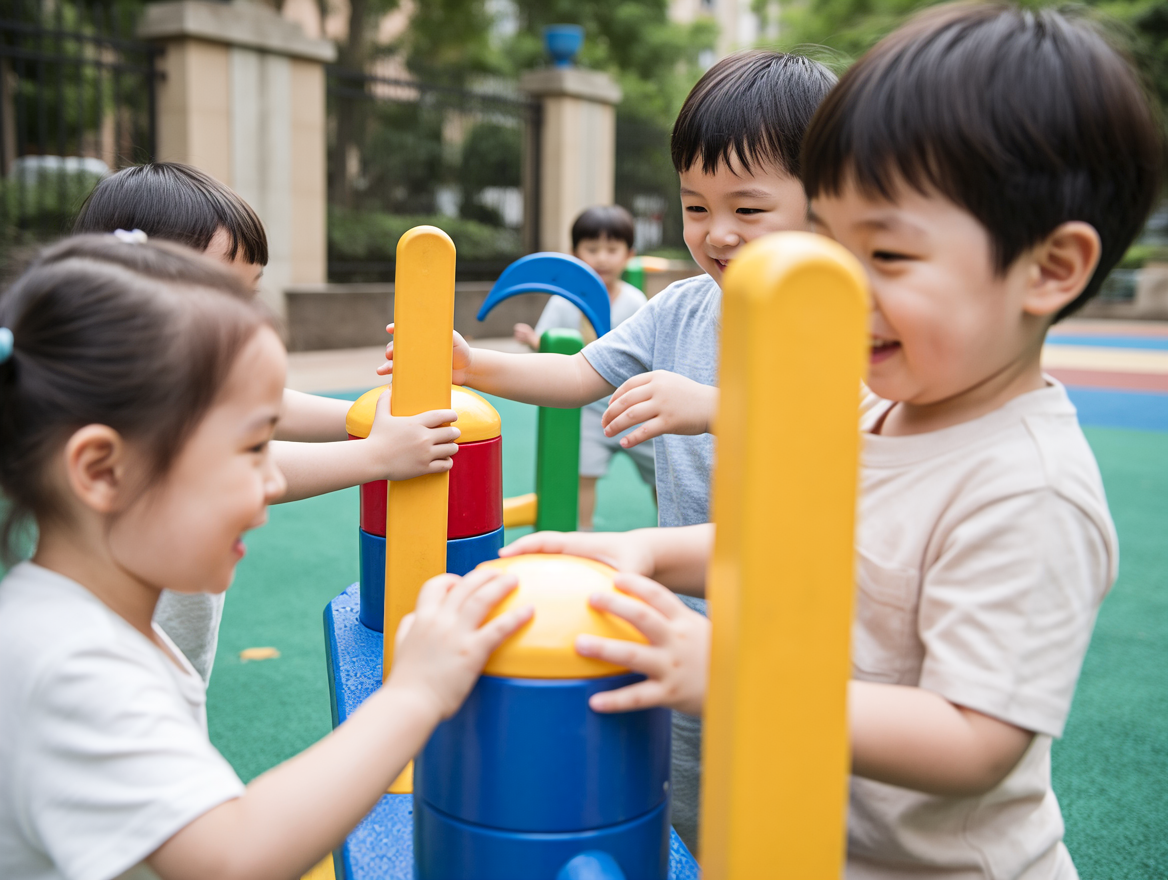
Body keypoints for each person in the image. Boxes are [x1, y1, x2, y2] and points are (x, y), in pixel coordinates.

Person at [505, 4, 1162, 876]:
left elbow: (975, 739)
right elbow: (800, 549)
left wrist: (742, 683)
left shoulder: (1024, 486)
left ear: (1049, 268)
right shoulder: (875, 412)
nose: (833, 289)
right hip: (810, 834)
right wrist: (644, 551)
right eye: (831, 246)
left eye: (883, 256)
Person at [379, 51, 837, 850]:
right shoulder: (682, 309)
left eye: (750, 209)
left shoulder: (841, 320)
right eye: (696, 207)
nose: (717, 233)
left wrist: (719, 408)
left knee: (790, 809)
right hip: (679, 612)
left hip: (801, 625)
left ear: (832, 201)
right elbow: (579, 372)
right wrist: (474, 364)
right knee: (689, 802)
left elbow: (843, 442)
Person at [0, 235, 532, 880]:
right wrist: (414, 693)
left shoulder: (81, 625)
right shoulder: (70, 664)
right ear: (102, 471)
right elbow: (232, 855)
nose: (275, 480)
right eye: (252, 450)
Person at [74, 163, 461, 682]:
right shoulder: (115, 388)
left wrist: (365, 416)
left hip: (170, 639)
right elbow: (217, 467)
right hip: (112, 655)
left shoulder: (193, 360)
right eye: (217, 291)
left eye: (249, 293)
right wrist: (375, 456)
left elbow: (268, 402)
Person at [513, 205, 656, 529]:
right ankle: (582, 533)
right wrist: (534, 341)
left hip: (633, 404)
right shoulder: (564, 300)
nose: (602, 258)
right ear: (574, 253)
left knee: (662, 472)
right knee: (581, 476)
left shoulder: (634, 302)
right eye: (592, 249)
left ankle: (675, 529)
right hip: (588, 410)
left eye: (612, 249)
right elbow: (553, 344)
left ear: (628, 254)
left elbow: (649, 346)